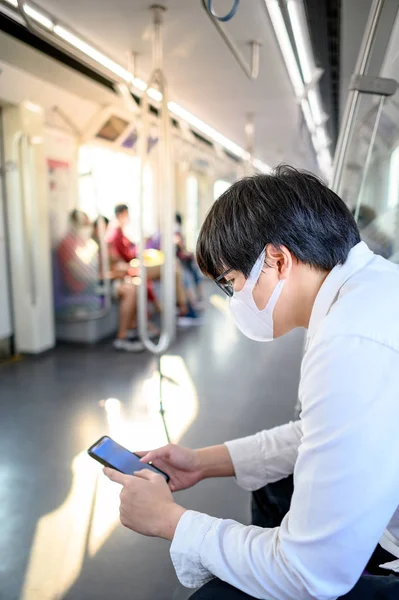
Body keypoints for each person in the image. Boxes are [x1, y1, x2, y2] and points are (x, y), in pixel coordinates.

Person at [104, 166, 399, 599]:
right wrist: (202, 461)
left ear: (277, 261)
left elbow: (309, 570)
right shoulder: (371, 291)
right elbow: (327, 433)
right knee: (274, 486)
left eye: (231, 284)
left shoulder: (350, 341)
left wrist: (171, 521)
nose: (235, 300)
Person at [57, 209, 99, 295]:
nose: (88, 228)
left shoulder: (80, 242)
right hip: (80, 289)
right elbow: (80, 274)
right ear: (76, 225)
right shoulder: (67, 244)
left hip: (88, 284)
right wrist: (103, 276)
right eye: (85, 224)